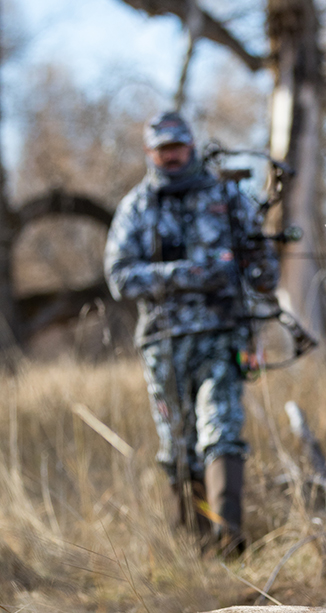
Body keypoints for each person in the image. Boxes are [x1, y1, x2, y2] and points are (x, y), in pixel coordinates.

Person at [104, 111, 279, 553]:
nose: (171, 155)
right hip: (162, 342)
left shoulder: (228, 196)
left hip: (223, 334)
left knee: (221, 429)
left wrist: (257, 266)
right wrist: (193, 274)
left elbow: (265, 271)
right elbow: (120, 277)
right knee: (176, 445)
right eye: (163, 148)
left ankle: (230, 539)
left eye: (178, 146)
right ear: (150, 152)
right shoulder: (136, 206)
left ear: (191, 146)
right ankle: (197, 549)